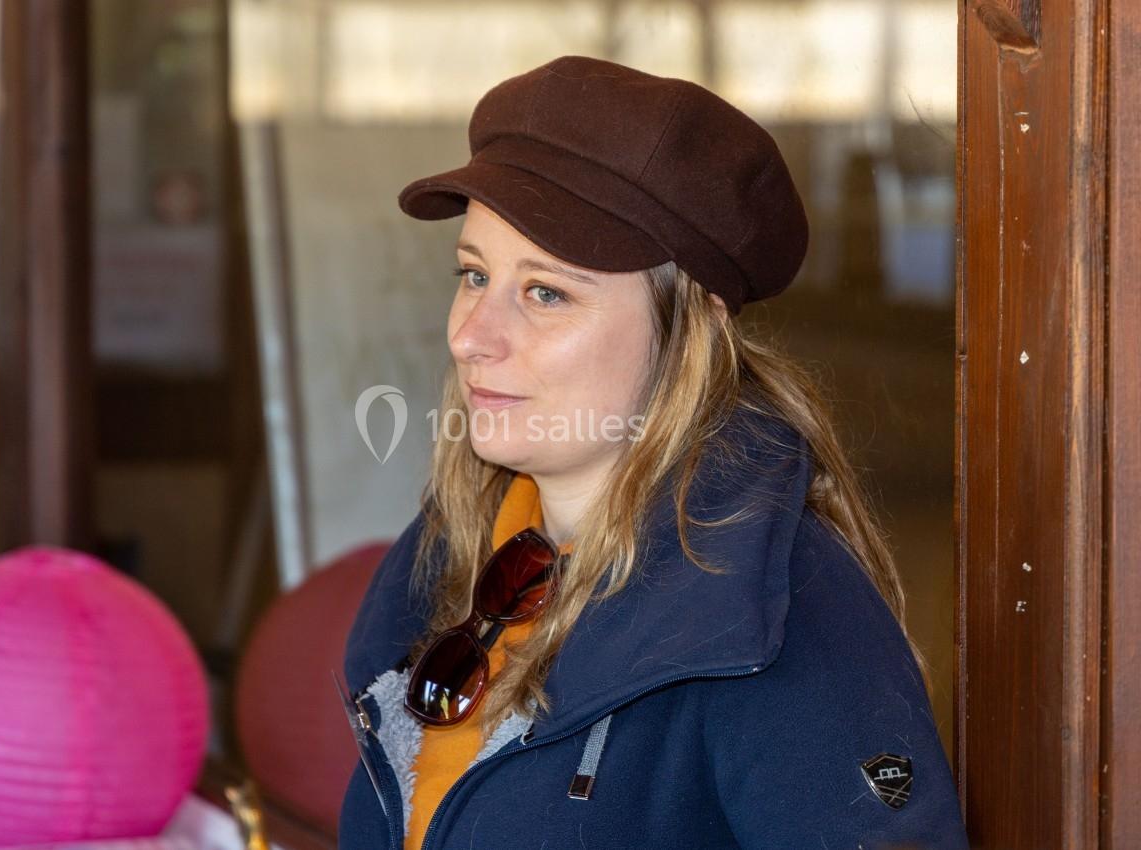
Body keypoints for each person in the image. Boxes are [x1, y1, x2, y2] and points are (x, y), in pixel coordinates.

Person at [336, 55, 969, 850]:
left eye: (546, 293)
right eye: (473, 275)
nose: (470, 337)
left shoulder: (777, 619)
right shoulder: (452, 558)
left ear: (686, 335)